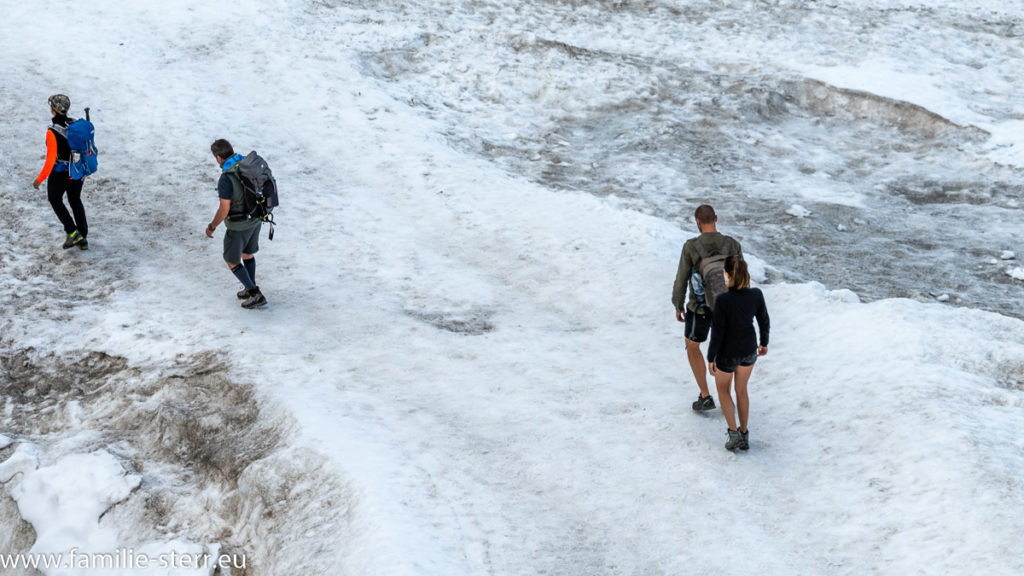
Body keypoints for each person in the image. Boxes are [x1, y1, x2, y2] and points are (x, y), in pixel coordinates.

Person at [671, 204, 743, 411]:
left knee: (693, 346)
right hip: (728, 308)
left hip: (700, 308)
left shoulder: (691, 246)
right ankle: (727, 395)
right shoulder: (733, 245)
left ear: (698, 222)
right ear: (716, 218)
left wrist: (678, 303)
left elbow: (681, 279)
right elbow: (742, 278)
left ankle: (705, 395)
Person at [707, 256, 769, 451]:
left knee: (723, 390)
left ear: (727, 274)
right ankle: (744, 434)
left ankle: (733, 434)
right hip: (749, 350)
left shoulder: (723, 300)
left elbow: (717, 332)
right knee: (742, 390)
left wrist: (711, 358)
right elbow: (763, 320)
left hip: (727, 353)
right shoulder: (756, 295)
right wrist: (764, 343)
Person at [206, 139, 267, 309]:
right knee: (247, 253)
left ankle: (254, 293)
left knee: (231, 259)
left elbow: (224, 208)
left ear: (218, 158)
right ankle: (250, 288)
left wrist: (212, 226)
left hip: (239, 225)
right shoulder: (246, 165)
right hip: (256, 218)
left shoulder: (227, 178)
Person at [32, 94, 89, 250]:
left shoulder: (52, 132)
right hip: (77, 171)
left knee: (55, 199)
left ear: (53, 110)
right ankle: (83, 236)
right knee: (75, 199)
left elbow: (51, 160)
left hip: (60, 173)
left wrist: (40, 179)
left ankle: (72, 232)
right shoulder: (74, 125)